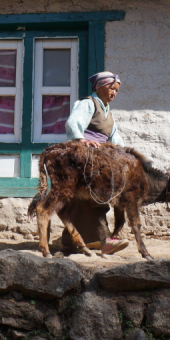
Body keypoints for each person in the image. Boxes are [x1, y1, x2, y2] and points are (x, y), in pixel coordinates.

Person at [60, 71, 130, 255]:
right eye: (111, 88)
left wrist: (126, 155)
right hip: (84, 158)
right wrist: (82, 140)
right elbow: (72, 123)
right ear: (98, 88)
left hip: (99, 160)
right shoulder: (87, 104)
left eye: (116, 90)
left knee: (81, 201)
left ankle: (69, 243)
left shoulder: (108, 114)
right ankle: (102, 240)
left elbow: (116, 139)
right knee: (92, 197)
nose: (114, 93)